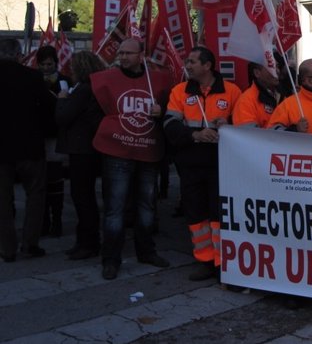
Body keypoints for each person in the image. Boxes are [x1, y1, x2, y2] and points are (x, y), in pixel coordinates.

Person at [91, 38, 173, 280]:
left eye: (128, 53)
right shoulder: (107, 79)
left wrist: (163, 112)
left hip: (147, 150)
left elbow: (174, 112)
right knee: (115, 208)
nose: (123, 57)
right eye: (121, 53)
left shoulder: (157, 80)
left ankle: (146, 251)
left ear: (141, 56)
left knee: (146, 205)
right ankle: (111, 259)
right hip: (117, 152)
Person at [164, 46, 242, 281]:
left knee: (219, 213)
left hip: (221, 163)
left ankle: (223, 261)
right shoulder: (180, 91)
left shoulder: (232, 91)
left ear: (207, 66)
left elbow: (243, 125)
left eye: (192, 61)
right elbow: (169, 124)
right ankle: (205, 259)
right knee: (196, 213)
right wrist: (195, 135)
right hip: (191, 163)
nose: (187, 65)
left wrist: (226, 126)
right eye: (187, 61)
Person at [0, 37, 55, 261]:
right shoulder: (33, 77)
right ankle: (30, 244)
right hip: (30, 146)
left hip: (1, 150)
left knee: (2, 200)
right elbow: (48, 109)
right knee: (36, 195)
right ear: (19, 54)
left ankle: (6, 248)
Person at [55, 51, 106, 260]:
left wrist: (62, 99)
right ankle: (85, 240)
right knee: (84, 196)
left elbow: (63, 117)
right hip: (90, 148)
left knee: (82, 196)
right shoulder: (95, 88)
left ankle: (88, 242)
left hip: (82, 149)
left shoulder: (83, 90)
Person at [36, 45, 69, 237]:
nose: (46, 68)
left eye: (49, 64)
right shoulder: (34, 81)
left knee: (56, 181)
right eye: (43, 64)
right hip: (39, 136)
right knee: (41, 182)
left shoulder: (64, 81)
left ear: (56, 64)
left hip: (56, 137)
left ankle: (57, 219)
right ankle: (44, 220)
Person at [232, 62, 282, 128]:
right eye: (271, 67)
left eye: (277, 66)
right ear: (257, 73)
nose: (277, 71)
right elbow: (249, 135)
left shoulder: (286, 95)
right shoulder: (246, 101)